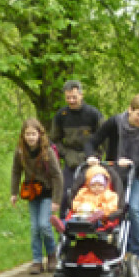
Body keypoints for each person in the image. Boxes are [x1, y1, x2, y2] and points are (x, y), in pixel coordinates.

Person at [85, 94, 139, 271]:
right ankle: (111, 251)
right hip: (114, 173)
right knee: (109, 210)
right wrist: (91, 156)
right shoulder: (114, 123)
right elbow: (92, 141)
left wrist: (131, 160)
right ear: (130, 110)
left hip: (137, 175)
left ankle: (138, 255)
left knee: (134, 209)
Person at [10, 118, 64, 274]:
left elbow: (57, 176)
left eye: (33, 134)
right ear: (23, 135)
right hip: (32, 193)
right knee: (34, 228)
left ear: (40, 134)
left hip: (47, 193)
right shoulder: (20, 152)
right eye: (27, 134)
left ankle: (52, 255)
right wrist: (13, 192)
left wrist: (56, 200)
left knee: (44, 225)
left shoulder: (47, 152)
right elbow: (16, 171)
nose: (30, 137)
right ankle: (37, 260)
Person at [49, 79, 104, 208]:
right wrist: (65, 154)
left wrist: (102, 157)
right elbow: (54, 140)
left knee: (89, 193)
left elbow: (104, 136)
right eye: (68, 98)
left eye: (74, 97)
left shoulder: (93, 114)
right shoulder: (61, 116)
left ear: (81, 95)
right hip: (70, 160)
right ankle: (64, 224)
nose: (71, 100)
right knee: (65, 194)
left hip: (91, 160)